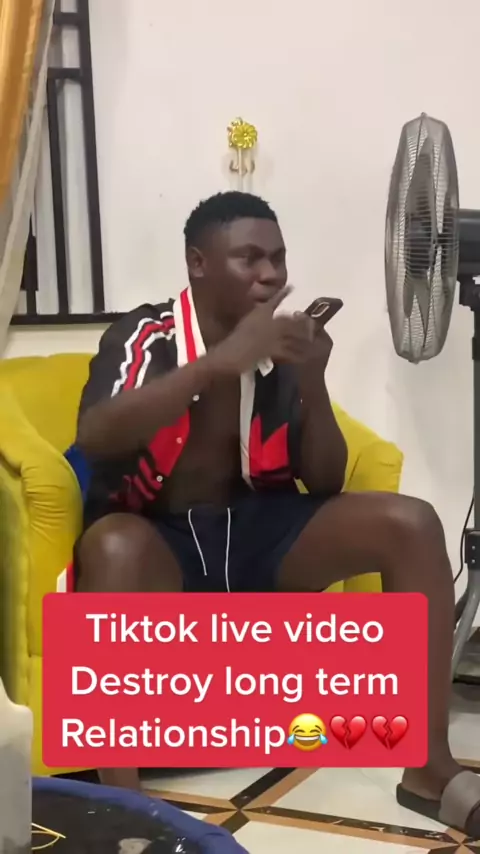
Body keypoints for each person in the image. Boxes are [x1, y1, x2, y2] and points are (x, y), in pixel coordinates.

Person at [73, 191, 480, 834]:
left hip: (256, 534)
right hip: (160, 540)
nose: (270, 274)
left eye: (278, 258)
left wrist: (313, 382)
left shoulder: (279, 348)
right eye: (250, 258)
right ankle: (125, 807)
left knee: (412, 523)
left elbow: (324, 480)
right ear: (198, 263)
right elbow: (96, 434)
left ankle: (428, 766)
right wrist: (217, 363)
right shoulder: (146, 335)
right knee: (112, 547)